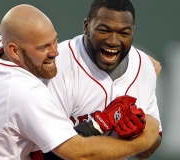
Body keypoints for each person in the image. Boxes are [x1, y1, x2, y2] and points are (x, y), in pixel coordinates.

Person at [0, 4, 159, 160]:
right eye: (43, 48)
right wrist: (142, 139)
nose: (55, 52)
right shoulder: (24, 92)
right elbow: (77, 152)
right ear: (14, 51)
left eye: (54, 40)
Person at [37, 0, 162, 159]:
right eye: (104, 30)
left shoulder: (144, 66)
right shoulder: (58, 65)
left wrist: (139, 133)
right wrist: (99, 125)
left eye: (124, 33)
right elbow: (43, 153)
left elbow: (149, 148)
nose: (113, 41)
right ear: (86, 26)